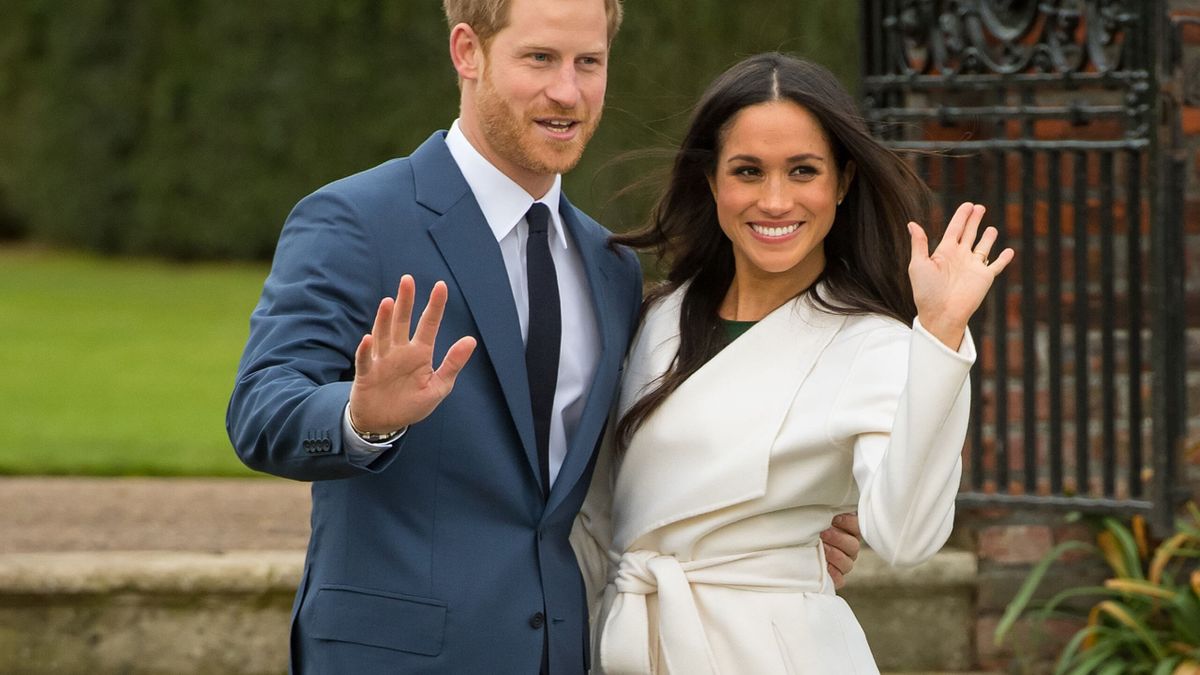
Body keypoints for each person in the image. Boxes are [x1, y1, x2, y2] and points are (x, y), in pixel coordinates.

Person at [226, 4, 862, 673]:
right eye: (540, 59)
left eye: (588, 62)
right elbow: (260, 409)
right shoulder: (356, 220)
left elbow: (625, 473)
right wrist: (361, 418)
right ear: (467, 52)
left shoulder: (608, 264)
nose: (568, 91)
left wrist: (770, 529)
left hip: (564, 651)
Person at [570, 53, 1015, 674]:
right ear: (711, 181)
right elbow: (594, 509)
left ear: (843, 181)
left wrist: (939, 337)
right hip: (622, 642)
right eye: (748, 171)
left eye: (803, 171)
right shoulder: (651, 317)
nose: (774, 201)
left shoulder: (872, 344)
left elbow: (907, 536)